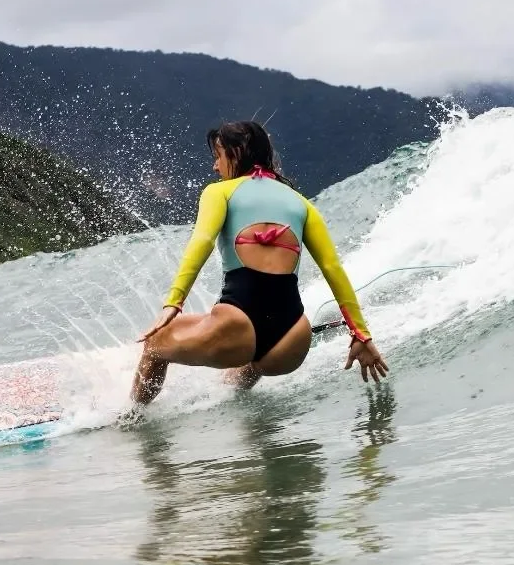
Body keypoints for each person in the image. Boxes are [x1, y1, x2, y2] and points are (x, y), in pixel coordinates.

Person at [130, 120, 388, 405]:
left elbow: (201, 241)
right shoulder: (302, 202)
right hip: (291, 337)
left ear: (237, 151)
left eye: (218, 156)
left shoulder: (219, 192)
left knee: (155, 346)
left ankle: (131, 422)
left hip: (236, 322)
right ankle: (232, 405)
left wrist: (174, 303)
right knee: (247, 366)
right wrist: (361, 334)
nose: (215, 167)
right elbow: (332, 269)